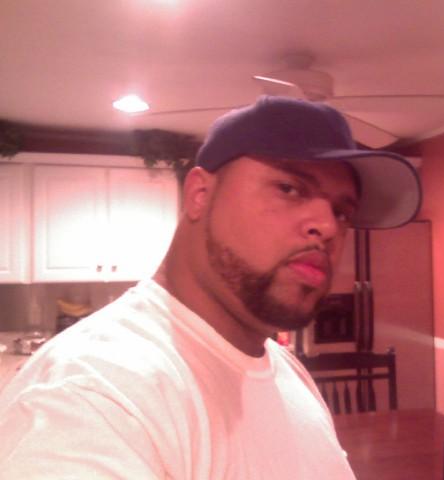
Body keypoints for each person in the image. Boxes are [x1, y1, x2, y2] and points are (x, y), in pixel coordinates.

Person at [0, 96, 421, 479]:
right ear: (200, 194)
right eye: (290, 188)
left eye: (342, 212)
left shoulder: (286, 370)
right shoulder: (92, 394)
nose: (327, 226)